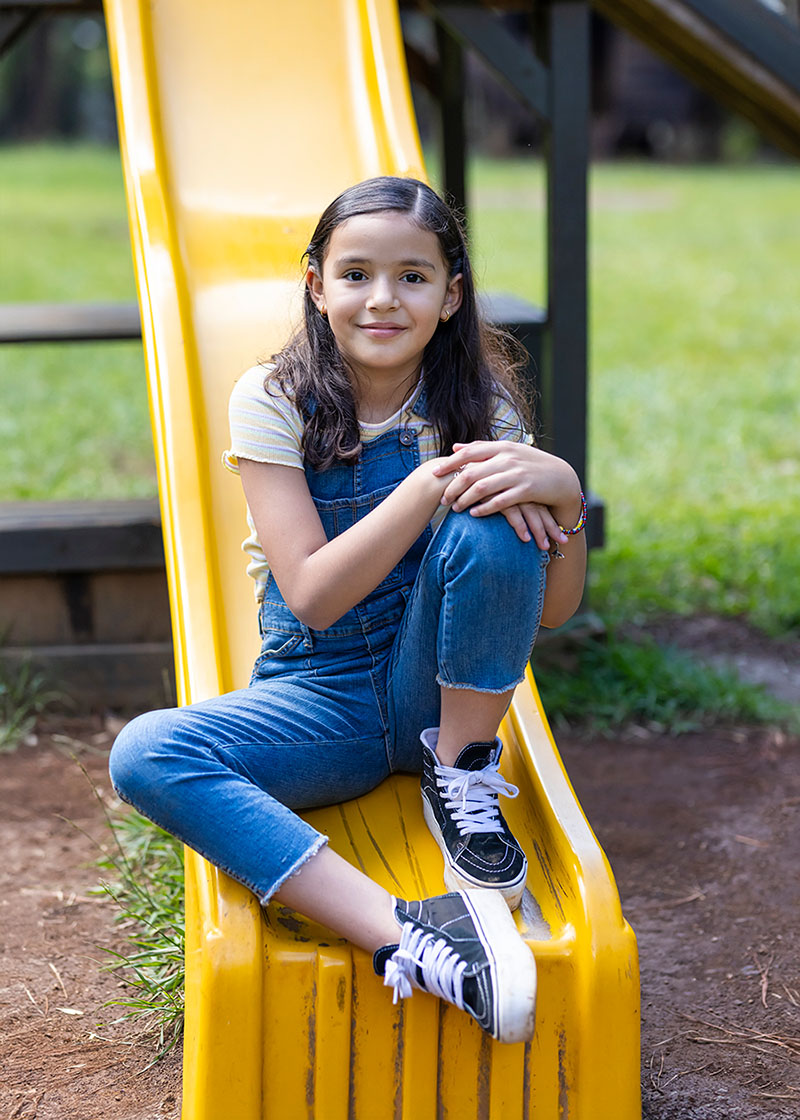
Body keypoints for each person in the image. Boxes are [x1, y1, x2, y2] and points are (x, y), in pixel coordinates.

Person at [110, 176, 586, 1046]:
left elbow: (551, 607)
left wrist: (564, 499)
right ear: (315, 284)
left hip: (435, 695)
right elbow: (313, 594)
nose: (382, 298)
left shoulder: (485, 413)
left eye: (413, 277)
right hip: (316, 696)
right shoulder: (274, 400)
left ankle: (464, 773)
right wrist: (426, 485)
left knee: (493, 527)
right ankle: (408, 934)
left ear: (451, 296)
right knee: (146, 753)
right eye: (356, 273)